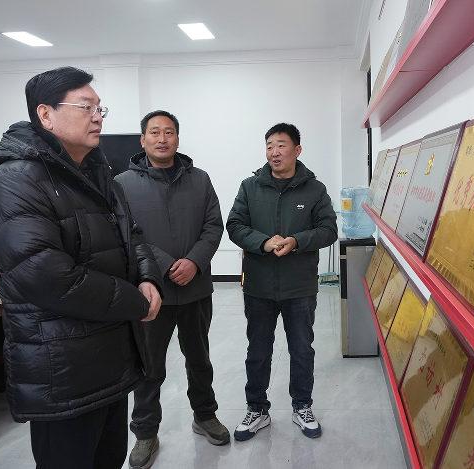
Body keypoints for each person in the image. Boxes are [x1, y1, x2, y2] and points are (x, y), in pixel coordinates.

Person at [0, 66, 163, 469]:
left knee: (108, 458)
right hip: (63, 368)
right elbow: (47, 275)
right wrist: (135, 301)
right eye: (86, 107)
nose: (98, 117)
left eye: (100, 108)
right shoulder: (17, 180)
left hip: (110, 357)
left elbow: (131, 234)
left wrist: (148, 276)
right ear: (45, 115)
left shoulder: (97, 172)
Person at [114, 110, 228, 469]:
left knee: (200, 358)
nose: (162, 139)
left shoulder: (200, 179)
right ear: (143, 140)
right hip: (150, 291)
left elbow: (214, 225)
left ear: (178, 138)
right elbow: (125, 234)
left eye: (169, 132)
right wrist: (164, 264)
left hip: (196, 288)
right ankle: (145, 432)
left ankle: (205, 415)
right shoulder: (122, 184)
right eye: (154, 132)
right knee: (149, 366)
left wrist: (194, 261)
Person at [226, 123, 337, 441]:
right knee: (258, 351)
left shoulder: (315, 190)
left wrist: (297, 241)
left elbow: (328, 229)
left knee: (302, 350)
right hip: (258, 286)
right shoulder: (250, 187)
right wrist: (263, 242)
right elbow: (234, 225)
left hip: (299, 286)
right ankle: (257, 409)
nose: (274, 152)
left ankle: (302, 406)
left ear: (297, 150)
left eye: (281, 145)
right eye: (269, 146)